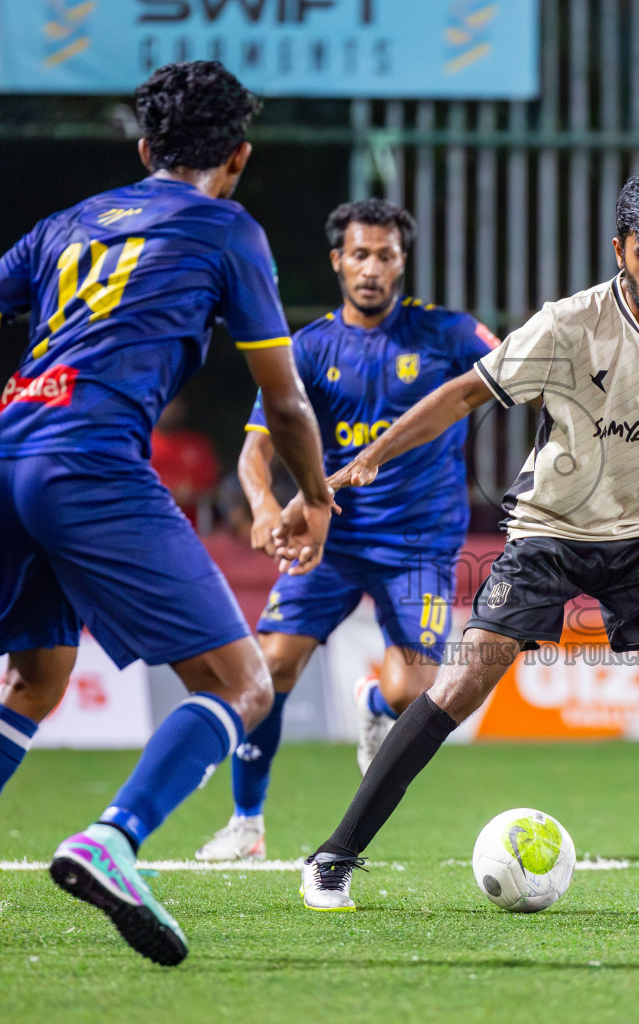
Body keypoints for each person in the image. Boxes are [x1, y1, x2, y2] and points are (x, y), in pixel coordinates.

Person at [0, 61, 331, 966]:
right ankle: (114, 839)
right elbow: (282, 398)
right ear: (237, 158)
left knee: (34, 681)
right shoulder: (227, 228)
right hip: (92, 462)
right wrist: (314, 497)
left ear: (141, 149)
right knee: (240, 686)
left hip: (14, 455)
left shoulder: (68, 224)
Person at [292, 163, 639, 919]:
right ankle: (334, 857)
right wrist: (374, 453)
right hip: (549, 533)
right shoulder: (568, 324)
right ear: (620, 249)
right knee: (459, 684)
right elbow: (464, 392)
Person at [195, 198, 497, 862]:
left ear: (402, 263)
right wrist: (266, 508)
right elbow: (254, 452)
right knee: (268, 669)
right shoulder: (309, 349)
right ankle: (247, 824)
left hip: (418, 544)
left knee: (412, 690)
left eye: (385, 256)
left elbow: (522, 369)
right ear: (338, 261)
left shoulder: (446, 334)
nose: (371, 268)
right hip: (330, 539)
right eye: (359, 254)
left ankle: (374, 703)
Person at [150, 395, 221, 531]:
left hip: (194, 529)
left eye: (173, 405)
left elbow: (214, 489)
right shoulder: (140, 444)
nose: (169, 410)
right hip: (151, 526)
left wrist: (190, 495)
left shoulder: (197, 444)